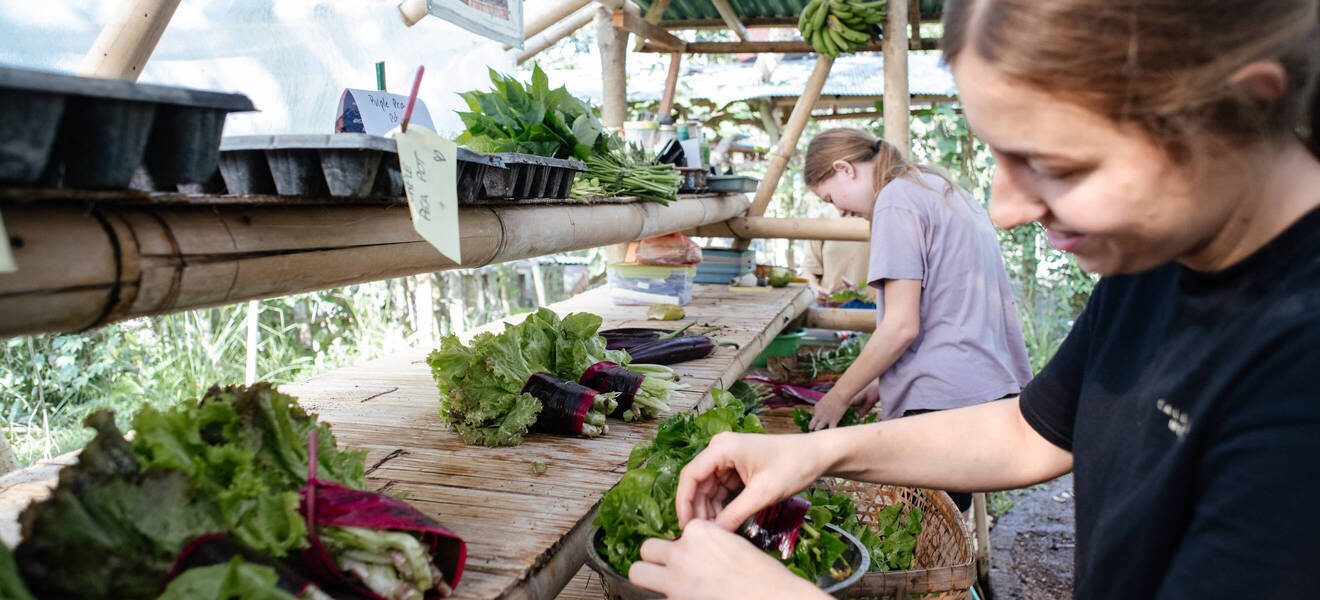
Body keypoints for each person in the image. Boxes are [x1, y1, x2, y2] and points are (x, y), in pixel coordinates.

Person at [626, 0, 1320, 598]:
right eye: (999, 157)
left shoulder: (1297, 376)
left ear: (1240, 111)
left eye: (1057, 164)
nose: (1007, 207)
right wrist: (815, 454)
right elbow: (1029, 431)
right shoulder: (1160, 262)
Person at [799, 217, 876, 308]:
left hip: (872, 305)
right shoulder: (821, 218)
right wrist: (816, 290)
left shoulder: (882, 215)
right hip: (829, 305)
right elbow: (808, 270)